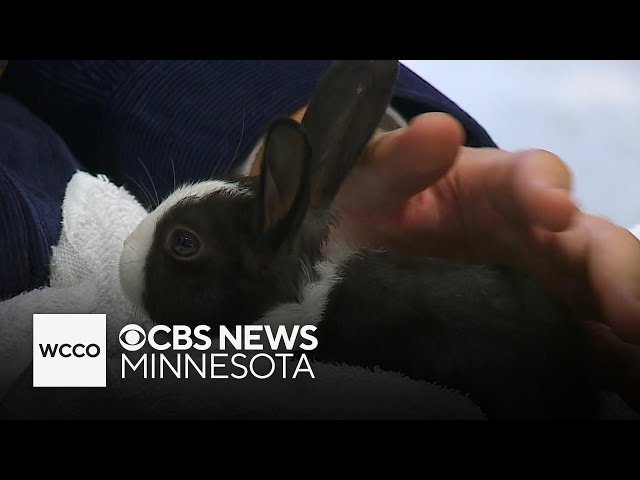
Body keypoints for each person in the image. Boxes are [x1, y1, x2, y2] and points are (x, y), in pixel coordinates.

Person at [0, 60, 638, 412]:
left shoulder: (264, 340)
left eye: (181, 245)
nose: (129, 250)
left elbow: (101, 351)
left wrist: (280, 133)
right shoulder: (267, 331)